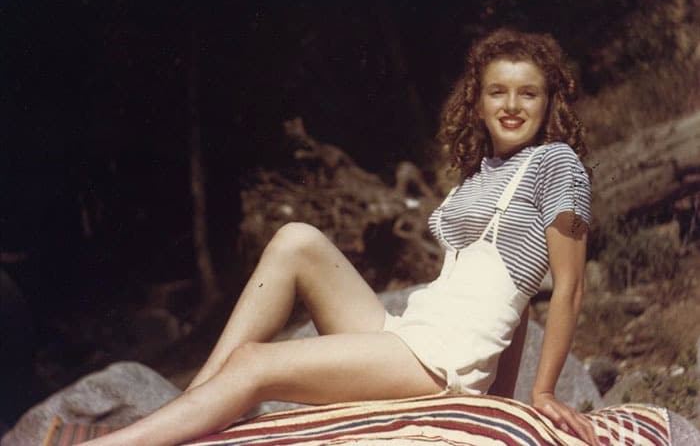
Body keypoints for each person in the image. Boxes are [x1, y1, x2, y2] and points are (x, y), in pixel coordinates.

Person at [79, 29, 599, 446]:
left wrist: (541, 392)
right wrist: (500, 403)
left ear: (549, 102)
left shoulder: (556, 164)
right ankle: (193, 406)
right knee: (296, 239)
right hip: (408, 334)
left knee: (254, 362)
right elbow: (516, 302)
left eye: (528, 93)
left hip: (442, 360)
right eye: (497, 91)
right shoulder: (483, 174)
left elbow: (568, 287)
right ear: (478, 102)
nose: (512, 105)